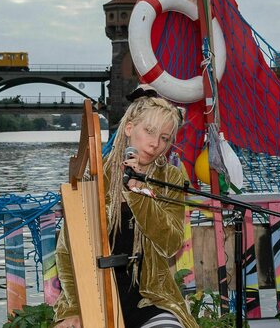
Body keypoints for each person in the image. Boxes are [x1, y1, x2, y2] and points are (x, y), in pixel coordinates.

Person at [53, 94, 199, 328]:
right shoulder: (98, 176)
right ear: (129, 128)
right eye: (149, 131)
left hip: (150, 298)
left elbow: (171, 244)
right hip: (95, 297)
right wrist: (73, 309)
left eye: (164, 138)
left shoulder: (170, 178)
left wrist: (139, 195)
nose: (155, 144)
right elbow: (66, 252)